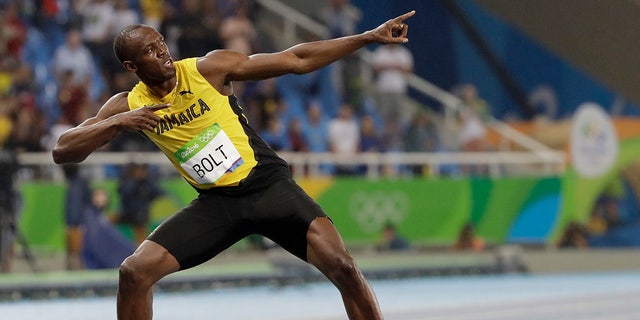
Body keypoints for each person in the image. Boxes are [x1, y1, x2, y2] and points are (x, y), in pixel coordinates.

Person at [52, 10, 415, 320]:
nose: (162, 51)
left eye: (161, 42)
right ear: (132, 66)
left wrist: (367, 37)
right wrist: (118, 123)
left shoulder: (209, 69)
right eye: (150, 50)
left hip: (268, 188)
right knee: (133, 272)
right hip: (216, 205)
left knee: (344, 267)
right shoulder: (126, 105)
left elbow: (296, 59)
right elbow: (62, 150)